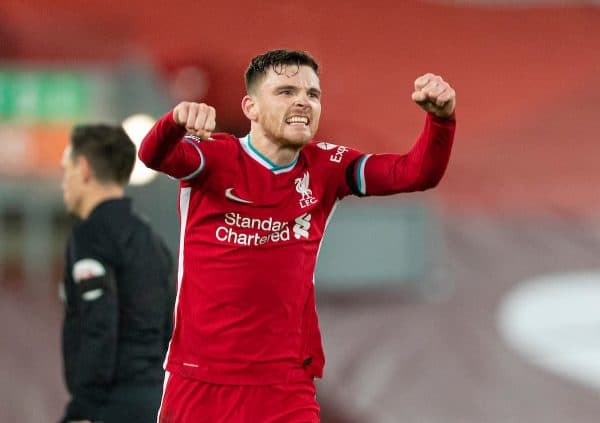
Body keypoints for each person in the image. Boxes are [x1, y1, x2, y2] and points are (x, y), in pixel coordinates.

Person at [138, 49, 456, 423]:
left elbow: (414, 173)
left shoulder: (328, 167)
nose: (303, 101)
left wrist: (441, 121)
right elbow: (153, 155)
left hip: (284, 385)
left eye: (313, 94)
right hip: (202, 379)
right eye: (287, 92)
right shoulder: (213, 157)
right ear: (251, 107)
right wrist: (174, 122)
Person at [58, 125, 175, 423]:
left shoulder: (91, 235)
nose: (64, 184)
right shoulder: (153, 241)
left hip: (112, 403)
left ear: (84, 168)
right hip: (158, 402)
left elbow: (99, 320)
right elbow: (170, 328)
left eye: (66, 170)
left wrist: (83, 408)